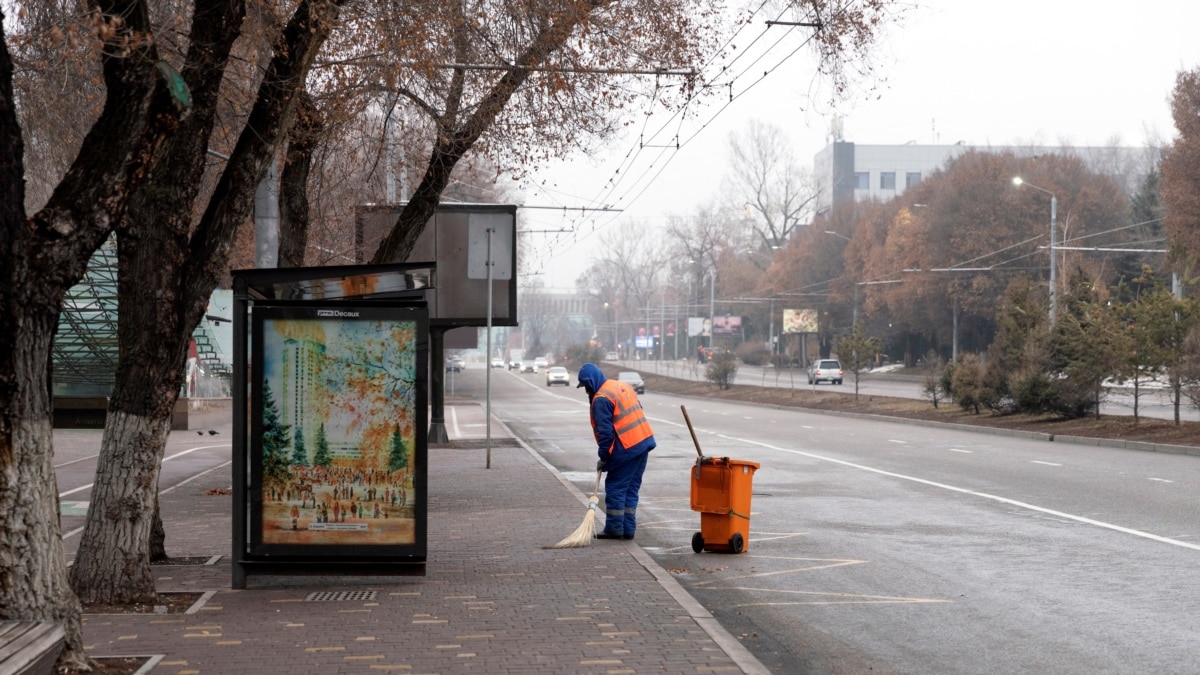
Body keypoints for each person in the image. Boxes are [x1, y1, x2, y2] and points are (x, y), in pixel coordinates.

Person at [575, 363, 656, 540]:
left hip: (627, 447)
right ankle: (627, 529)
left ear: (592, 382)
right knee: (630, 489)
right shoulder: (620, 385)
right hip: (643, 441)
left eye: (587, 386)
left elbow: (605, 434)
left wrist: (604, 458)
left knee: (616, 488)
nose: (587, 391)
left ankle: (614, 528)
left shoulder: (601, 398)